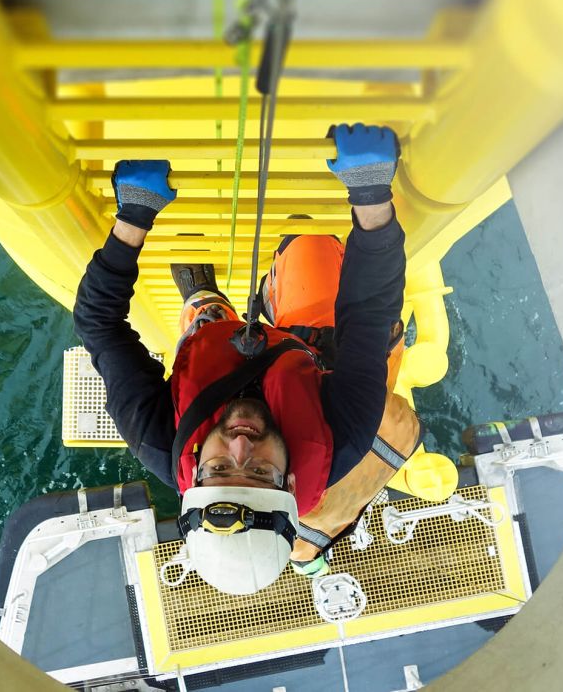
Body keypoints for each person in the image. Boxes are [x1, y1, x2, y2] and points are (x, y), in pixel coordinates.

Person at [74, 124, 423, 596]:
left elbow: (98, 324)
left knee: (204, 320)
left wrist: (133, 218)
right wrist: (371, 195)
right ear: (290, 483)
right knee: (310, 239)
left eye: (220, 469)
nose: (241, 444)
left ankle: (204, 301)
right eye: (259, 472)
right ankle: (256, 288)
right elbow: (368, 312)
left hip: (216, 353)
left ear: (195, 473)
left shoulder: (157, 439)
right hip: (311, 356)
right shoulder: (344, 437)